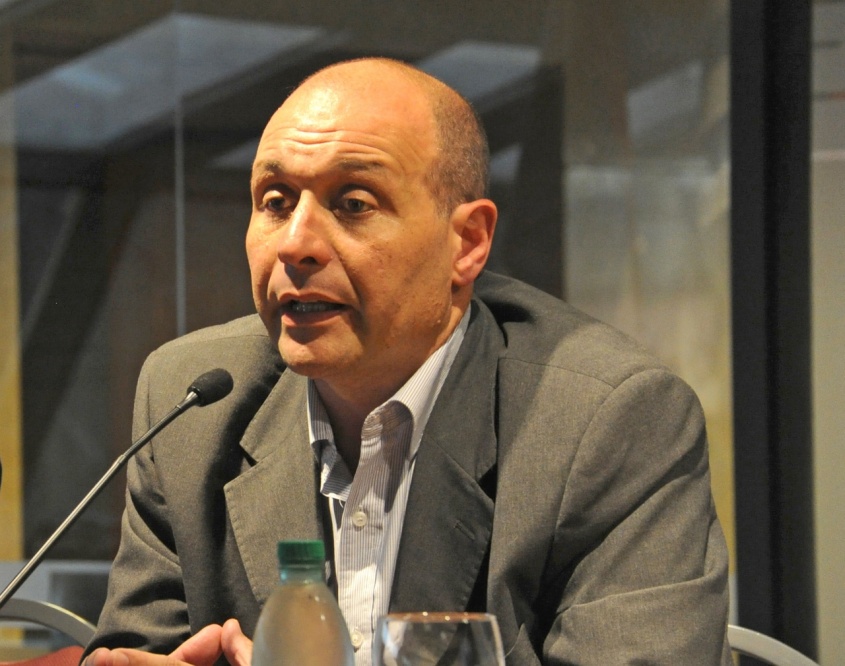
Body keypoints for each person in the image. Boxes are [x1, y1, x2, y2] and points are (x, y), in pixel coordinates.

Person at [83, 57, 731, 666]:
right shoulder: (192, 404)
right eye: (275, 201)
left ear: (467, 242)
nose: (296, 244)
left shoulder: (609, 420)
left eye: (353, 203)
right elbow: (131, 648)